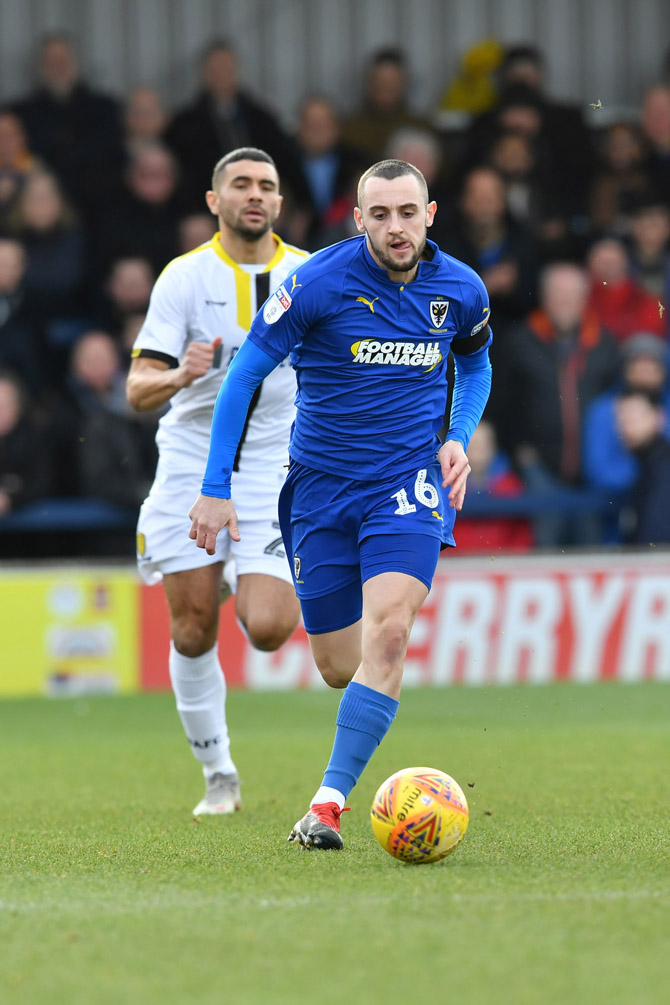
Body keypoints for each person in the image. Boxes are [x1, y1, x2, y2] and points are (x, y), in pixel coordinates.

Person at [189, 158, 492, 850]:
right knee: (337, 666)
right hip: (320, 491)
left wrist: (456, 436)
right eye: (379, 215)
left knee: (391, 633)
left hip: (407, 486)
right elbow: (243, 377)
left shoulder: (462, 289)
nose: (396, 227)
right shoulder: (317, 283)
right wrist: (216, 486)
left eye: (407, 213)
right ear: (358, 221)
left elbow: (475, 363)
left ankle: (325, 806)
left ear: (430, 215)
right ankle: (363, 722)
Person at [126, 148, 307, 816]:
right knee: (194, 628)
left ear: (280, 203)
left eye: (266, 185)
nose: (254, 194)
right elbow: (137, 388)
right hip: (192, 457)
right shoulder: (184, 276)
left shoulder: (309, 274)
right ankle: (219, 774)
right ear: (214, 201)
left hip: (274, 463)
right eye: (241, 184)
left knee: (270, 627)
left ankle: (237, 567)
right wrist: (181, 373)